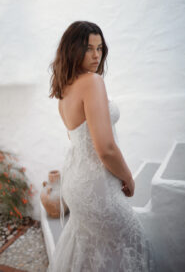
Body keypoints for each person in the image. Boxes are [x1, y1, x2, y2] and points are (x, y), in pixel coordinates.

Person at [47, 21, 157, 271]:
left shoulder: (64, 89)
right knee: (132, 241)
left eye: (100, 48)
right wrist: (128, 176)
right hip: (97, 186)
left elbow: (76, 140)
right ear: (73, 49)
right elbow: (105, 148)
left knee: (89, 249)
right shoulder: (92, 82)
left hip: (76, 184)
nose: (96, 55)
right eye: (88, 48)